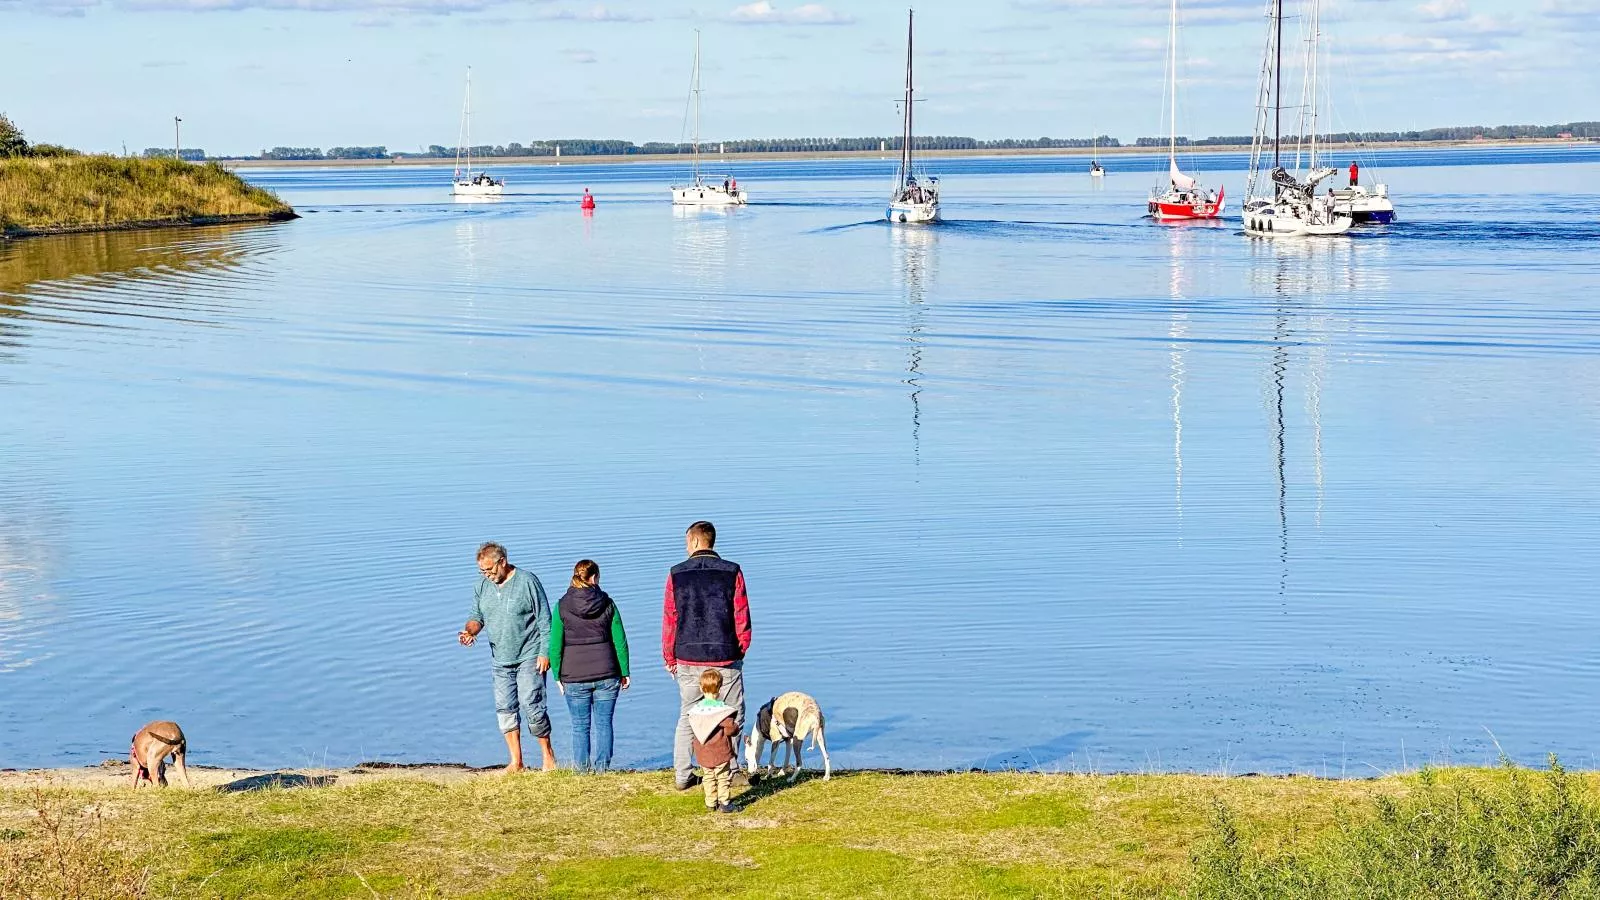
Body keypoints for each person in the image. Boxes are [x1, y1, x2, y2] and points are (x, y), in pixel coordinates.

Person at [663, 520, 751, 790]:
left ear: (695, 542)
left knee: (687, 716)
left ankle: (683, 773)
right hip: (725, 655)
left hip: (687, 656)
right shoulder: (732, 571)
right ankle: (731, 770)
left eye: (687, 541)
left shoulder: (676, 574)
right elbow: (741, 614)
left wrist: (669, 656)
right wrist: (742, 647)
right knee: (732, 715)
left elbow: (671, 618)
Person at [459, 542, 557, 773]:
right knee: (505, 708)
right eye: (482, 571)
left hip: (529, 654)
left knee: (532, 704)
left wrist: (546, 653)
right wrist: (470, 631)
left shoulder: (527, 581)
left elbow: (545, 620)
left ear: (502, 561)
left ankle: (548, 757)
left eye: (490, 570)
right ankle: (516, 762)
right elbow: (476, 616)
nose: (487, 575)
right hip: (500, 658)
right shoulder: (482, 585)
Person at [550, 559, 629, 773]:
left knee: (579, 726)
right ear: (594, 578)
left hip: (573, 675)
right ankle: (602, 769)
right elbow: (619, 640)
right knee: (604, 724)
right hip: (607, 673)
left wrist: (556, 675)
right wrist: (625, 671)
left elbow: (555, 644)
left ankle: (582, 771)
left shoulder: (561, 606)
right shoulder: (608, 603)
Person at [688, 669, 740, 813]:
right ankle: (725, 803)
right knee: (723, 777)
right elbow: (731, 729)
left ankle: (710, 802)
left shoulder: (695, 711)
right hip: (720, 752)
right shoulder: (722, 712)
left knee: (708, 777)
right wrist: (735, 728)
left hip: (703, 753)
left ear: (700, 688)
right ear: (720, 688)